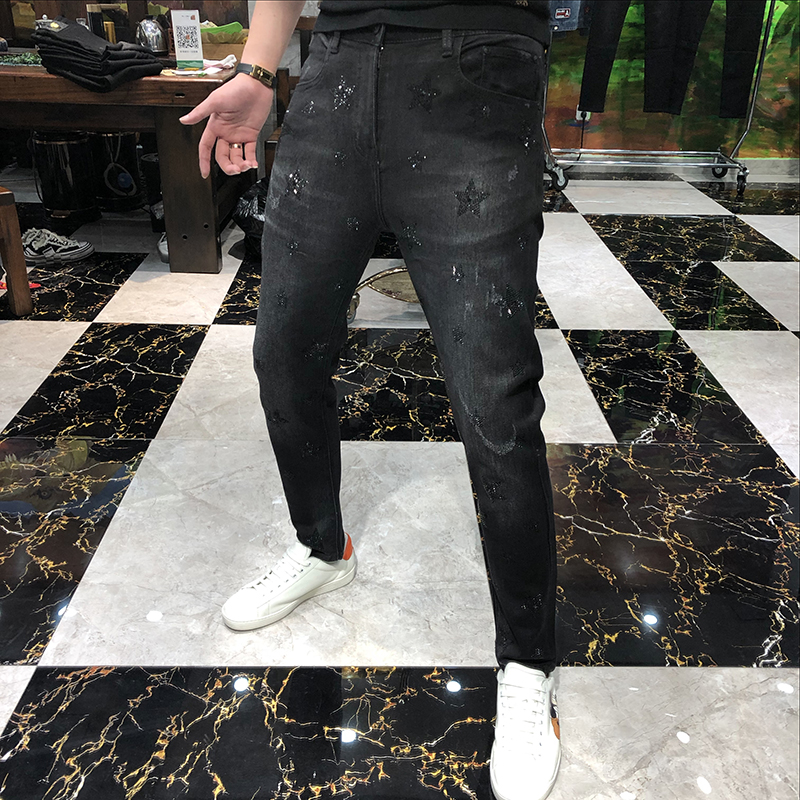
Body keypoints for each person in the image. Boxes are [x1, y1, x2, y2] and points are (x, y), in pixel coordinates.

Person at [180, 2, 560, 798]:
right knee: (284, 350)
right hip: (336, 69)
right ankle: (323, 550)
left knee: (493, 397)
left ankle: (529, 662)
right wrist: (258, 67)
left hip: (479, 69)